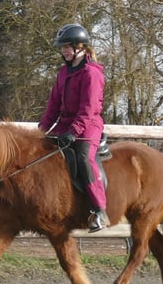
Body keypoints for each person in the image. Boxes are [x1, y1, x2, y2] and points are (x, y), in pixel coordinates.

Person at [39, 23, 110, 232]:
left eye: (67, 47)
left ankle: (99, 210)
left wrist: (73, 132)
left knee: (83, 158)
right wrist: (41, 130)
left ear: (80, 47)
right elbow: (53, 106)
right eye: (62, 48)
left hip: (88, 125)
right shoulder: (63, 73)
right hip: (65, 124)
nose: (63, 51)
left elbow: (88, 109)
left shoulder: (92, 74)